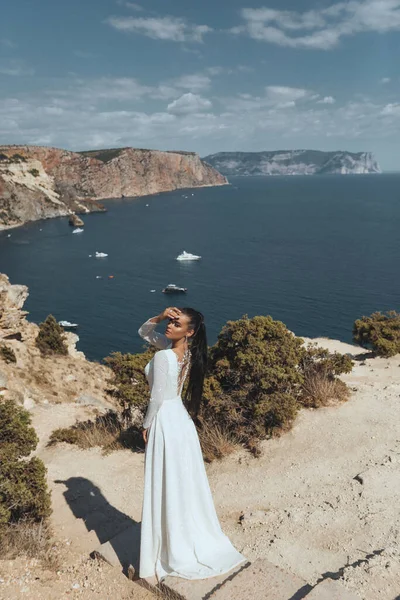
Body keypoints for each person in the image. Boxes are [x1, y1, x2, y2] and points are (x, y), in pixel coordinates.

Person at [138, 306, 247, 582]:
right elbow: (144, 332)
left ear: (190, 331)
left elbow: (157, 398)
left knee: (167, 481)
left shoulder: (165, 355)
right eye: (170, 321)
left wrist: (146, 424)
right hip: (181, 423)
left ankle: (169, 545)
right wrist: (160, 316)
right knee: (180, 483)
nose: (170, 326)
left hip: (165, 420)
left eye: (176, 323)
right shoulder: (185, 353)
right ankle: (181, 534)